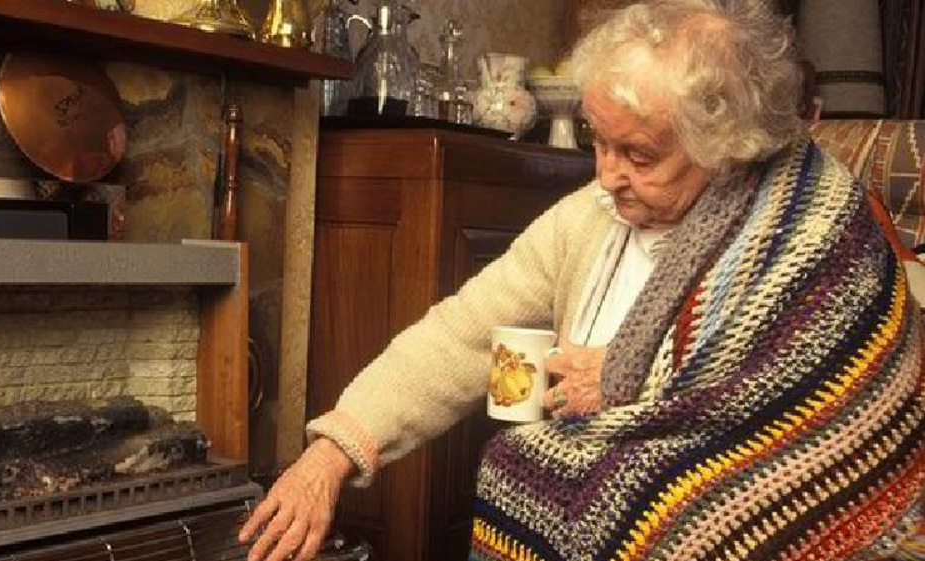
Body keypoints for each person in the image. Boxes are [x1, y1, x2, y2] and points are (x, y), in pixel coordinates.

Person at [240, 1, 925, 560]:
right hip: (584, 481)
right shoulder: (588, 220)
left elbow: (805, 392)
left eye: (639, 154)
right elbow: (464, 331)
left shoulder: (809, 219)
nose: (605, 173)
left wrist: (637, 380)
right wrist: (335, 448)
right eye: (599, 140)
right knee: (522, 469)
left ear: (727, 145)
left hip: (763, 510)